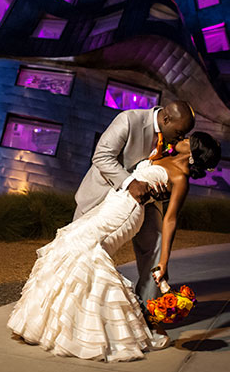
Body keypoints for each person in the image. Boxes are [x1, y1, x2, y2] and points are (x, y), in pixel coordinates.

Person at [8, 132, 222, 362]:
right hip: (112, 201)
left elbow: (171, 220)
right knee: (69, 244)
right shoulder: (164, 155)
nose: (183, 139)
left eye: (189, 141)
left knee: (87, 252)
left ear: (192, 153)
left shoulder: (181, 178)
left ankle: (97, 333)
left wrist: (164, 261)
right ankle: (45, 324)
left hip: (126, 212)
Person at [74, 101, 195, 305]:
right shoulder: (129, 120)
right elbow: (102, 156)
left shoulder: (172, 139)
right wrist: (131, 182)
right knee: (79, 248)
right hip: (104, 194)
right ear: (166, 119)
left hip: (145, 203)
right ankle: (76, 303)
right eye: (180, 132)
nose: (182, 138)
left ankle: (149, 308)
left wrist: (161, 191)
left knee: (156, 243)